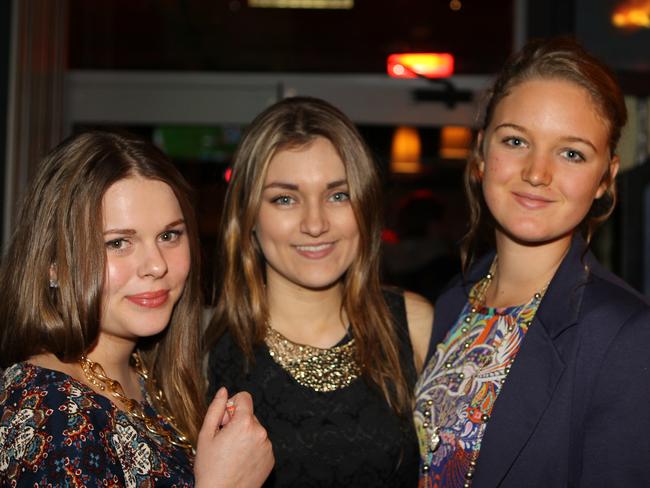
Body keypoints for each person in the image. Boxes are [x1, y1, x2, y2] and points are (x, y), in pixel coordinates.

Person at [414, 37, 650, 487]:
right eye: (517, 140)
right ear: (482, 152)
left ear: (606, 178)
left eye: (571, 153)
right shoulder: (454, 302)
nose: (537, 173)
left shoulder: (626, 337)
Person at [0, 131, 274, 487]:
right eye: (118, 243)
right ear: (53, 263)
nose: (156, 265)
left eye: (169, 236)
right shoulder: (49, 409)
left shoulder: (145, 376)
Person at [205, 96, 433, 487]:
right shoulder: (204, 354)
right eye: (285, 198)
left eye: (337, 195)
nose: (315, 223)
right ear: (249, 218)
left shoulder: (413, 324)